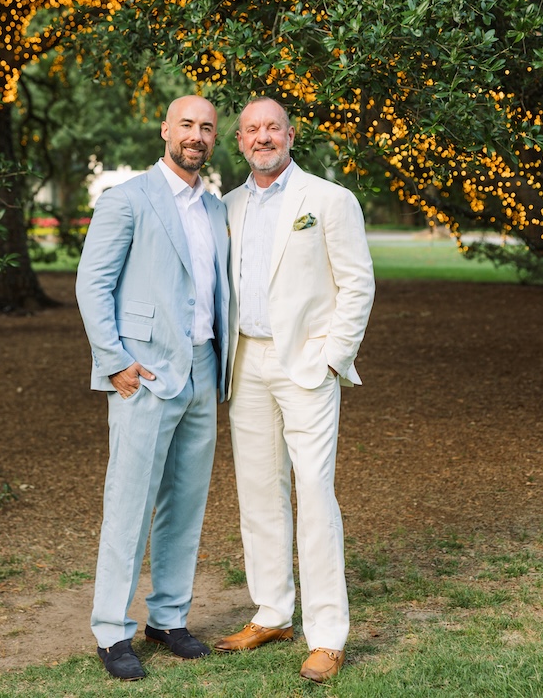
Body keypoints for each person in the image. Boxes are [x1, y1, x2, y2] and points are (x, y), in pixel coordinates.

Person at [214, 97, 375, 683]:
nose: (263, 137)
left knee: (314, 492)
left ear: (290, 134)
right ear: (239, 139)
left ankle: (328, 634)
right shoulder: (227, 207)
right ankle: (273, 612)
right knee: (258, 493)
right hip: (246, 361)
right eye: (252, 129)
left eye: (273, 128)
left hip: (306, 364)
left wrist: (333, 358)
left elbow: (357, 284)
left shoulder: (329, 200)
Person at [75, 95, 230, 682]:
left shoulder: (215, 209)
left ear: (214, 139)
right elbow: (93, 285)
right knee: (129, 503)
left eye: (206, 128)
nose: (195, 135)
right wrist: (114, 362)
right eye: (186, 124)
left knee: (186, 502)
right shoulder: (127, 199)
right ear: (166, 129)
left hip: (202, 370)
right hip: (142, 374)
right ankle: (111, 630)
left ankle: (167, 618)